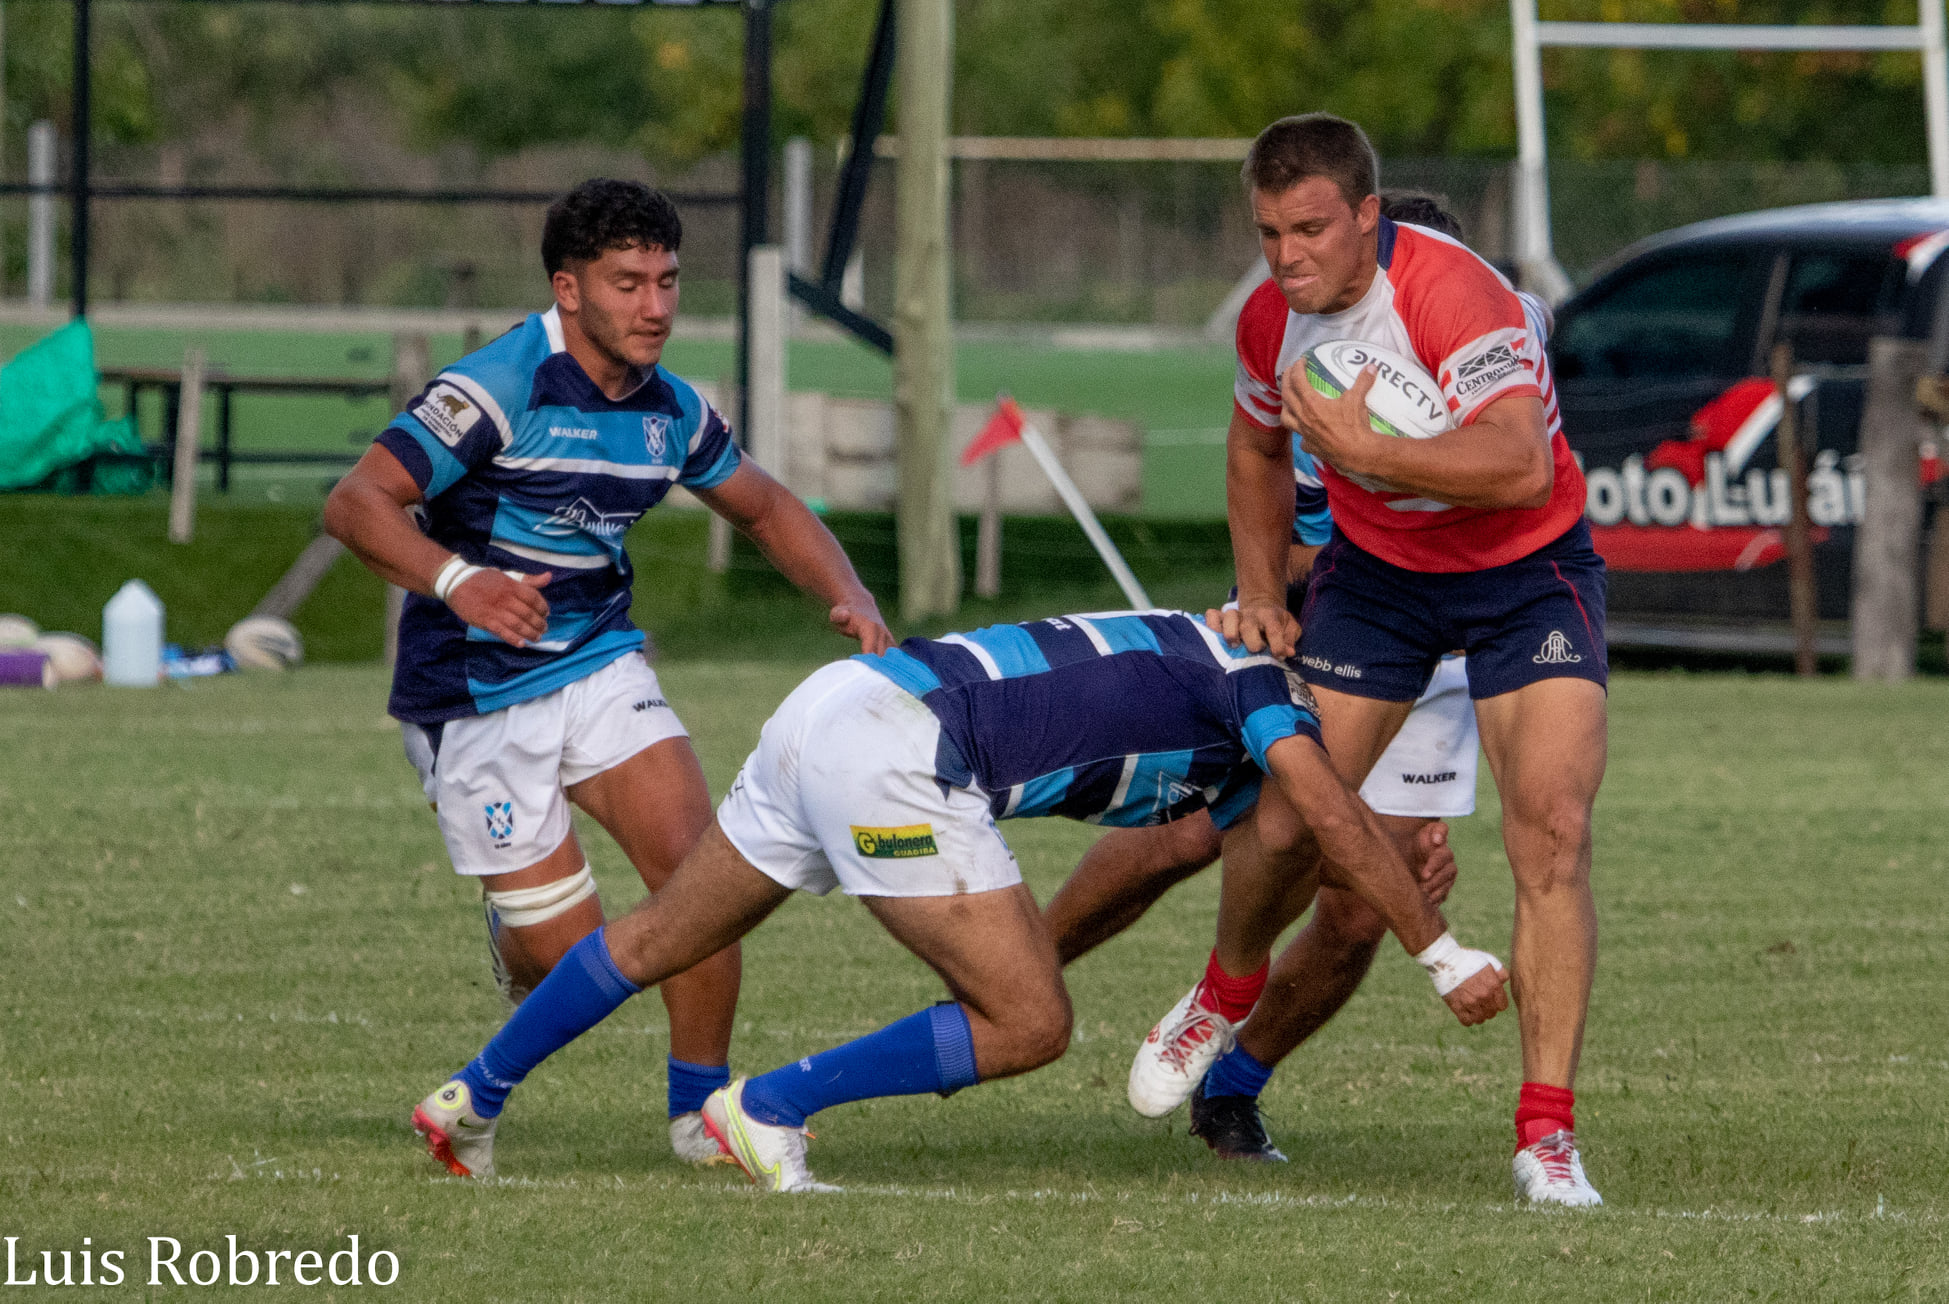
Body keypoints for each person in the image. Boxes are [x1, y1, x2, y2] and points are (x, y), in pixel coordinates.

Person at [409, 610, 1510, 1192]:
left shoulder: (1208, 657)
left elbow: (1213, 841)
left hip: (831, 707)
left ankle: (471, 1096)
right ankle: (766, 1107)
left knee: (654, 934)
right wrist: (1440, 949)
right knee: (1029, 1023)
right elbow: (1321, 808)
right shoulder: (1263, 684)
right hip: (897, 759)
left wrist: (1371, 867)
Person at [323, 178, 891, 1169]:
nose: (656, 305)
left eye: (667, 280)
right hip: (471, 693)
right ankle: (512, 935)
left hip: (597, 661)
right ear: (568, 288)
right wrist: (460, 581)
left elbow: (762, 505)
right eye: (628, 282)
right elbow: (357, 502)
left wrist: (848, 593)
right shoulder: (501, 385)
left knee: (705, 881)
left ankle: (699, 1111)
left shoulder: (671, 409)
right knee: (566, 961)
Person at [1127, 114, 1608, 1207]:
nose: (1287, 257)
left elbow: (1518, 464)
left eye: (1308, 230)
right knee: (1287, 809)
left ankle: (1544, 1137)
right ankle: (1220, 989)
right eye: (1266, 233)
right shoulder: (1267, 318)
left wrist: (1362, 451)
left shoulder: (1455, 295)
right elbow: (1252, 445)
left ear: (1364, 215)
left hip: (1524, 573)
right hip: (1379, 580)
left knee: (1554, 829)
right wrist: (1258, 588)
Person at [1046, 192, 1493, 1165]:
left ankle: (1231, 1086)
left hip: (1432, 672)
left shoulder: (1495, 382)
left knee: (1365, 905)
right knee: (1184, 837)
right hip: (1308, 636)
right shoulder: (1320, 376)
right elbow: (1276, 547)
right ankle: (1013, 978)